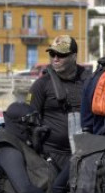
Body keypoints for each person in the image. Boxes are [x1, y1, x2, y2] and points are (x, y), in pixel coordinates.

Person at [27, 35, 92, 172]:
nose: (55, 59)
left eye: (61, 55)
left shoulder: (89, 82)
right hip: (52, 156)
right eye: (52, 54)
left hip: (85, 154)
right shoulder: (41, 85)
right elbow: (29, 121)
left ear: (74, 56)